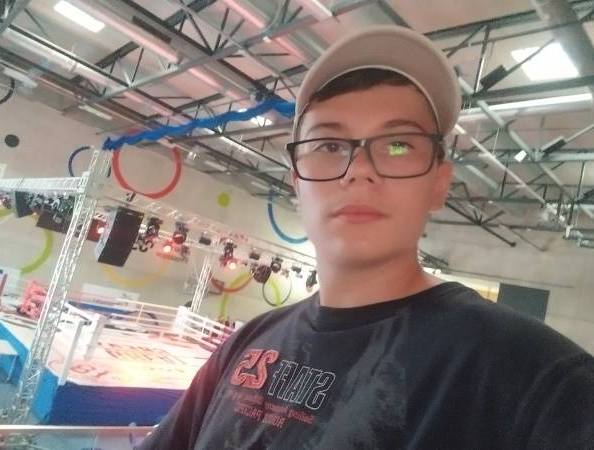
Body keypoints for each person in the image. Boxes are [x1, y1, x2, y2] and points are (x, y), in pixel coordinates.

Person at [138, 26, 594, 449]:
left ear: (439, 183)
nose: (359, 171)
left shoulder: (542, 382)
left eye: (398, 145)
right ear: (296, 181)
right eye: (329, 146)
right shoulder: (247, 345)